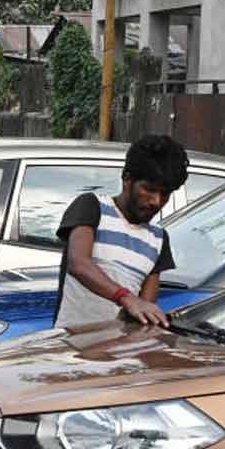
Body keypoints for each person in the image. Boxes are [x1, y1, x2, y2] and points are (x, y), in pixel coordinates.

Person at [54, 134, 189, 329]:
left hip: (119, 346)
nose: (156, 201)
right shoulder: (92, 206)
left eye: (165, 194)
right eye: (149, 189)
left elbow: (145, 309)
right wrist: (126, 298)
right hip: (72, 342)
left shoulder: (159, 239)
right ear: (127, 179)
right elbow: (79, 264)